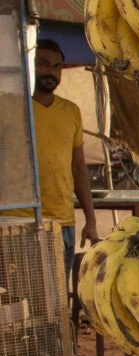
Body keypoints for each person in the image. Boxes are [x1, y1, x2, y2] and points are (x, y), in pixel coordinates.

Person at [14, 38, 98, 285]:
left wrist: (91, 220)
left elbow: (78, 169)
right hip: (21, 220)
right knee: (25, 299)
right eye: (44, 64)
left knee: (57, 297)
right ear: (30, 65)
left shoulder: (71, 111)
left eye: (57, 66)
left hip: (62, 222)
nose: (51, 71)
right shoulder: (11, 105)